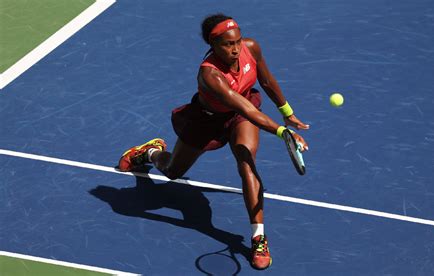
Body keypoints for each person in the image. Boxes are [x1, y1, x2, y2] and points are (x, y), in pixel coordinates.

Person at [117, 13, 309, 270]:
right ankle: (151, 152)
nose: (235, 48)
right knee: (173, 172)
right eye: (228, 44)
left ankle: (258, 237)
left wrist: (288, 113)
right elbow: (247, 110)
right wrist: (283, 132)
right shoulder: (210, 75)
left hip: (242, 113)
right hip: (207, 121)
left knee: (247, 162)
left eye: (237, 41)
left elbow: (265, 81)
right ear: (213, 44)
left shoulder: (251, 48)